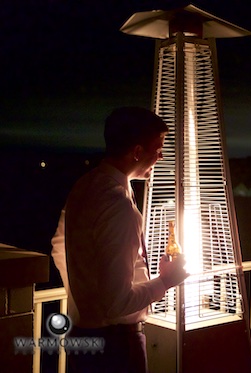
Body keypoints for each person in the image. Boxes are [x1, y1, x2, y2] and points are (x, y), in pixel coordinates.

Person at [51, 107, 188, 373]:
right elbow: (117, 303)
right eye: (157, 149)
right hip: (115, 345)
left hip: (82, 336)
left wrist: (85, 296)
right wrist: (165, 281)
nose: (160, 157)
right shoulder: (118, 205)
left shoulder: (85, 185)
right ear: (137, 151)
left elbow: (58, 246)